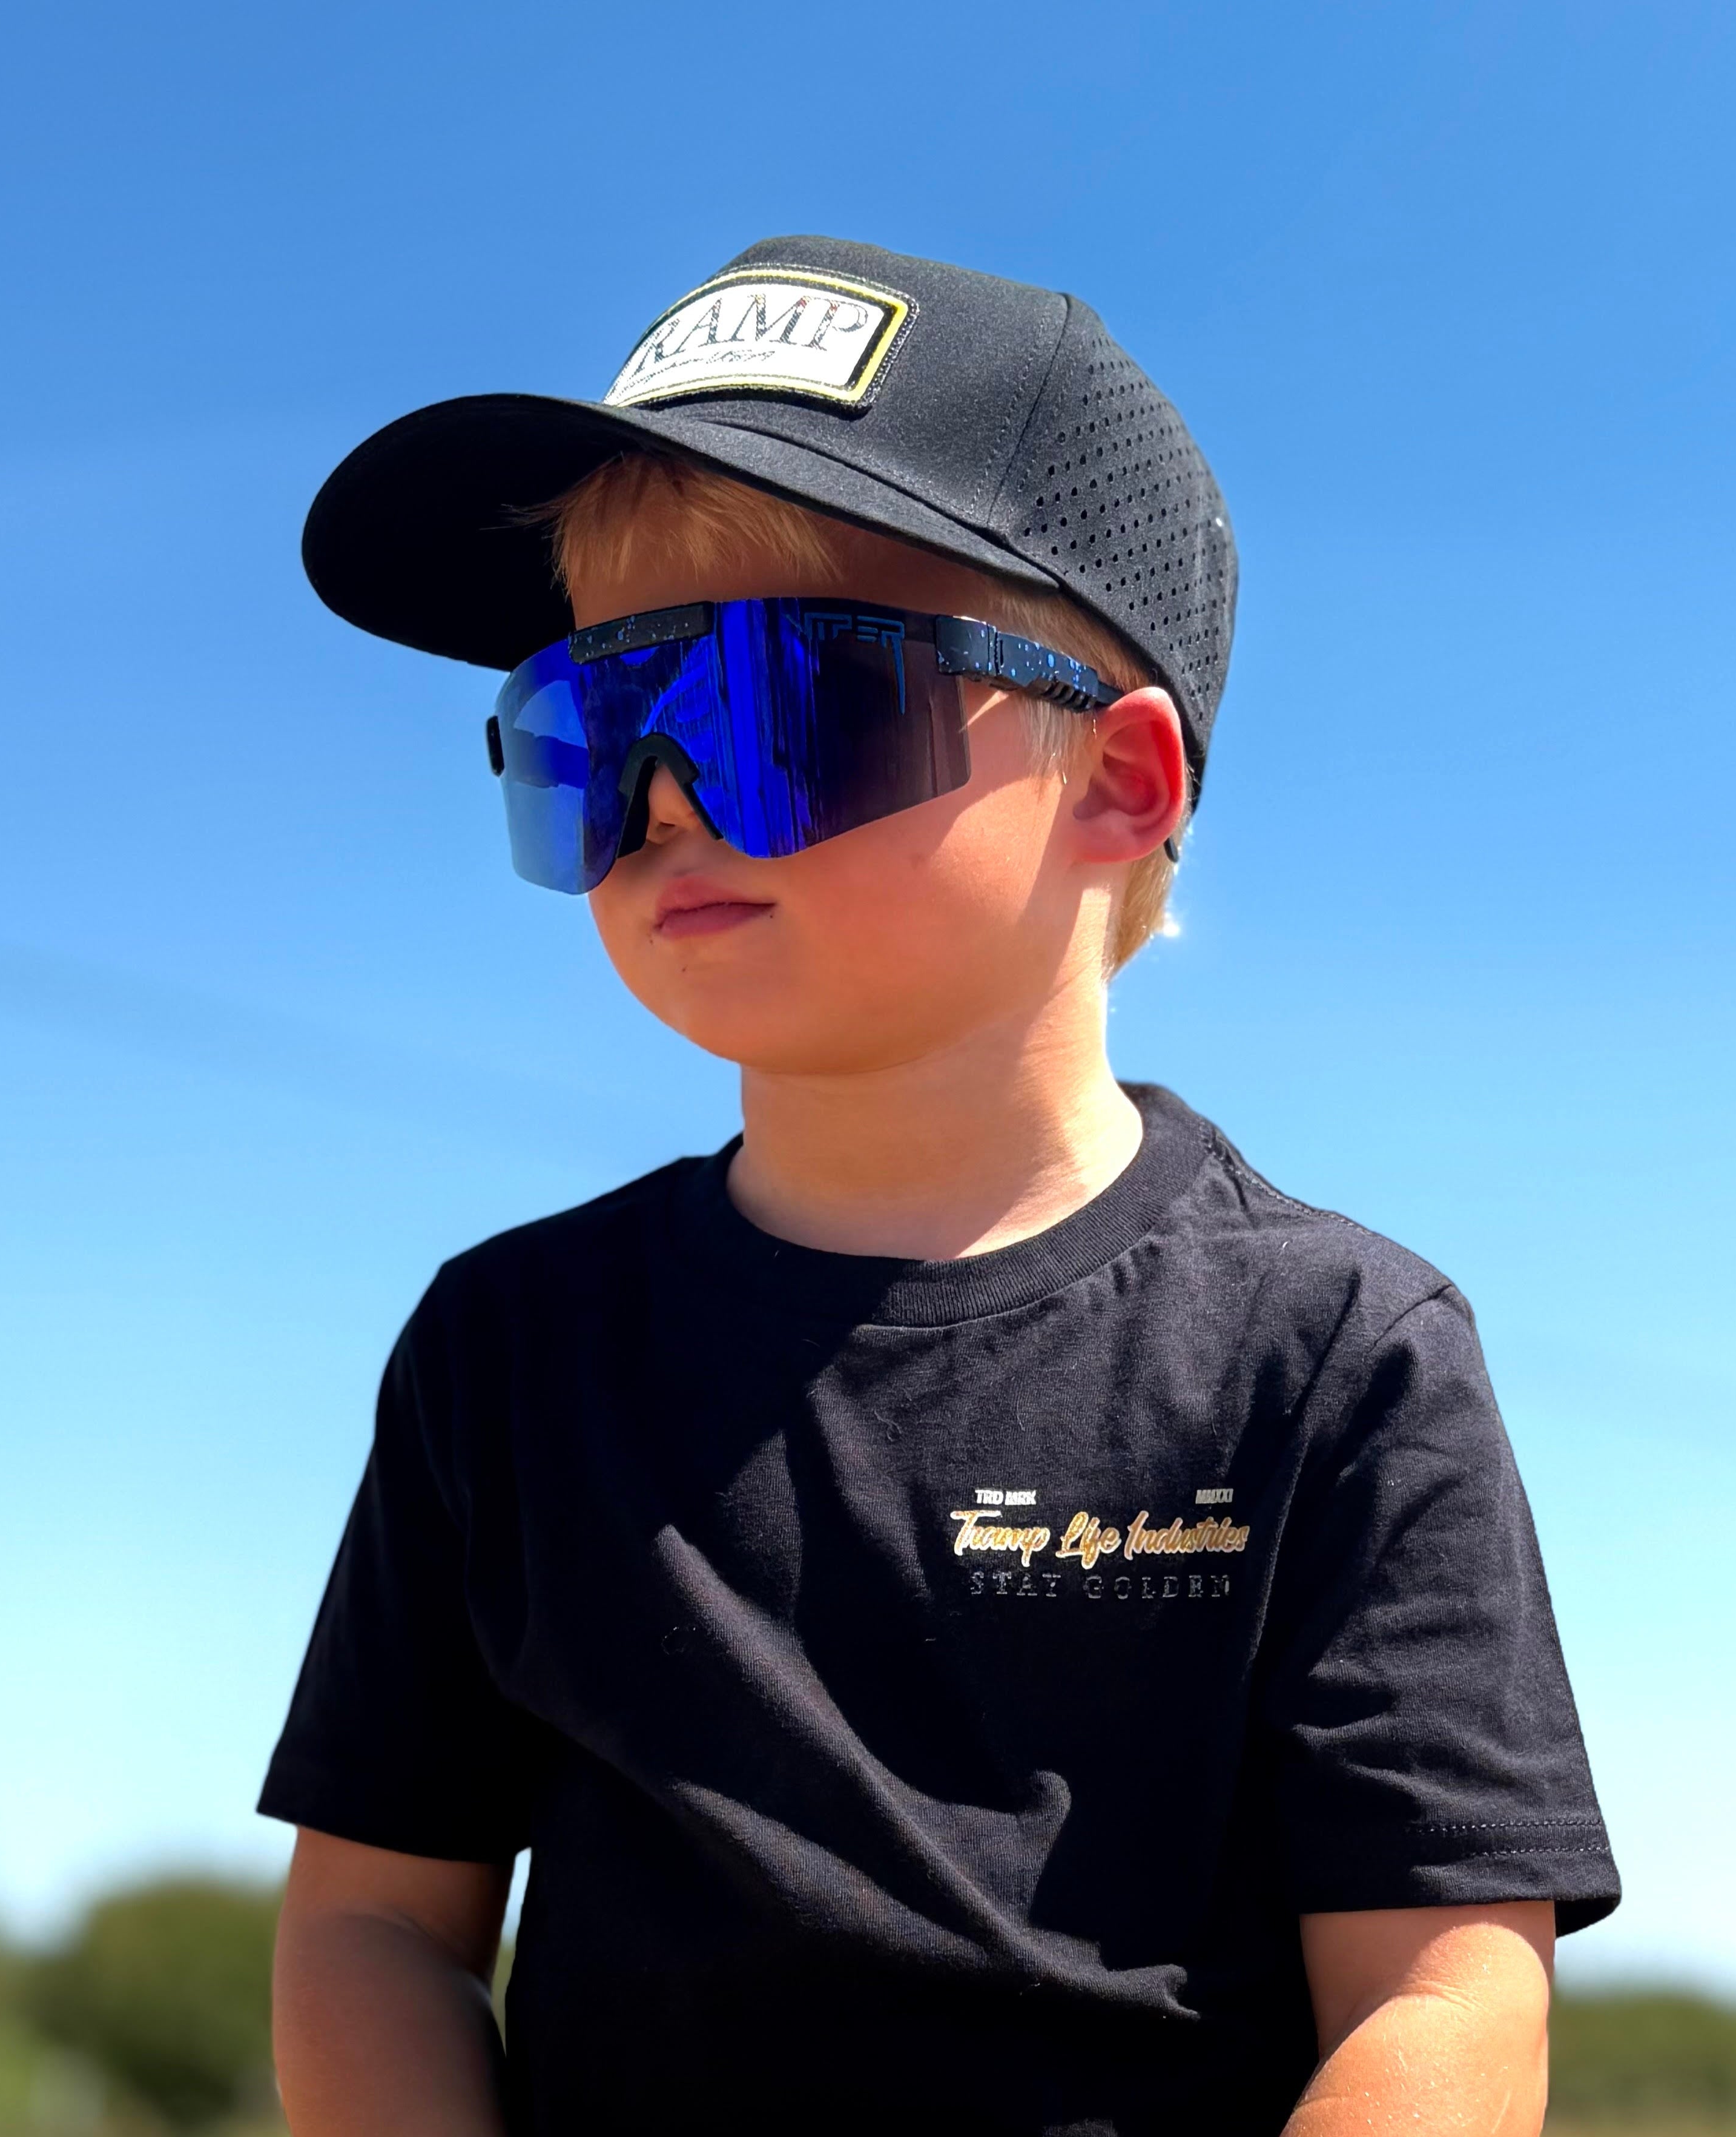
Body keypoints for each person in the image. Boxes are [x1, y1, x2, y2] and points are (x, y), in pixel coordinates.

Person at [258, 237, 1618, 2136]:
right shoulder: (509, 1345)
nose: (662, 798)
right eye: (592, 725)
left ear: (1119, 785)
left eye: (768, 706)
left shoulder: (1334, 1351)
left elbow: (1441, 1985)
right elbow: (373, 1928)